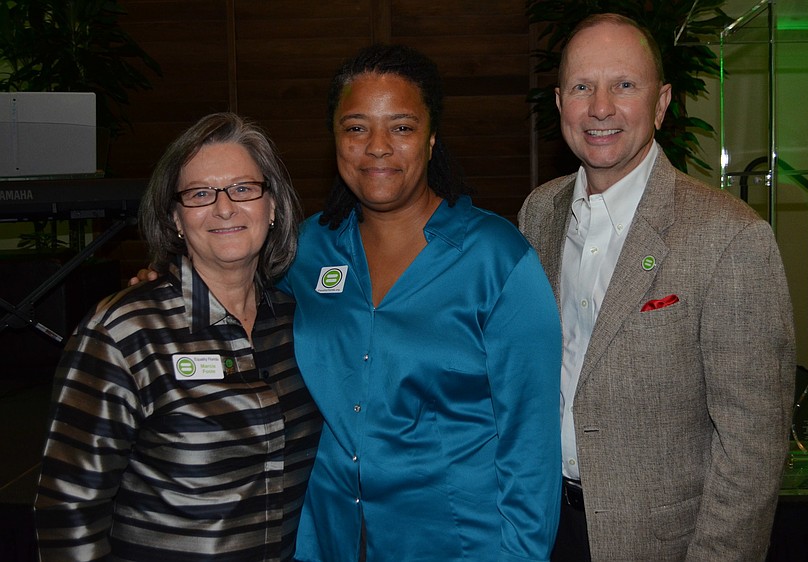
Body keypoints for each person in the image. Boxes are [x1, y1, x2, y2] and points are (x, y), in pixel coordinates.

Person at [518, 13, 796, 561]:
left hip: (662, 545)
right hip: (543, 529)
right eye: (582, 87)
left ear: (662, 102)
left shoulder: (730, 237)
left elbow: (753, 450)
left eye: (624, 85)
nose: (600, 107)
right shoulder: (538, 213)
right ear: (559, 103)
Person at [281, 44, 562, 561]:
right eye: (356, 127)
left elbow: (531, 442)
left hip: (457, 544)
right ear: (335, 139)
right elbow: (234, 308)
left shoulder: (497, 259)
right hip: (326, 538)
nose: (378, 147)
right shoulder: (304, 252)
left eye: (402, 127)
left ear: (431, 139)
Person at [34, 113, 322, 561]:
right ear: (175, 218)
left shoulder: (295, 324)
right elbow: (69, 511)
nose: (224, 208)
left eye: (243, 188)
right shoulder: (123, 332)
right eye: (200, 193)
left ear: (273, 206)